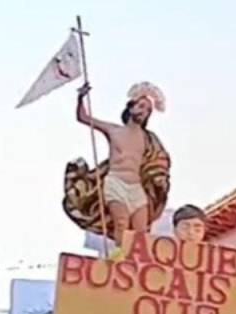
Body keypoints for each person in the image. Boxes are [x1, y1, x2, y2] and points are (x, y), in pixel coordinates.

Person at [69, 82, 170, 241]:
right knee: (121, 223)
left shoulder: (149, 138)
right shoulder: (114, 130)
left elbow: (160, 160)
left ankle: (137, 262)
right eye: (141, 106)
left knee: (141, 231)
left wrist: (158, 176)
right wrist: (81, 97)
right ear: (131, 107)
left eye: (148, 110)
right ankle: (119, 259)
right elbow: (83, 117)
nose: (144, 112)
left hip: (137, 186)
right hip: (116, 182)